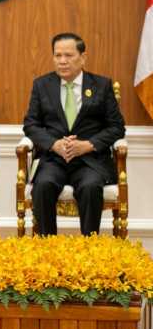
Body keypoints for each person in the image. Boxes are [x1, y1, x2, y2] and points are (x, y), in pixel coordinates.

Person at [23, 32, 125, 235]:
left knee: (90, 187)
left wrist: (88, 145)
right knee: (43, 185)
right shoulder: (42, 85)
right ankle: (46, 246)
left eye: (68, 55)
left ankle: (88, 245)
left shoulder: (101, 85)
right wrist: (54, 144)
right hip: (54, 159)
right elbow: (31, 124)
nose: (62, 61)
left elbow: (116, 127)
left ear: (83, 57)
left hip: (90, 161)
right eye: (57, 55)